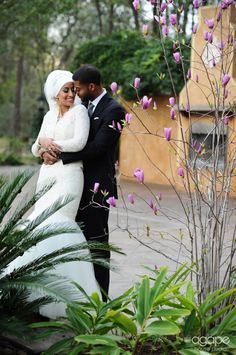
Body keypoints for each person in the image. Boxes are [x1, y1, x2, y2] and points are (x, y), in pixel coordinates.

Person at [11, 69, 101, 319]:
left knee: (60, 224)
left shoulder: (79, 112)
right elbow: (34, 146)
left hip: (70, 175)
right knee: (40, 223)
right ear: (55, 93)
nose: (71, 94)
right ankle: (33, 294)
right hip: (47, 175)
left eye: (73, 89)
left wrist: (51, 146)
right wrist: (41, 151)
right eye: (66, 90)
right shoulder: (50, 115)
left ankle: (69, 297)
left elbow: (80, 142)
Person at [42, 65, 126, 301]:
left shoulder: (114, 110)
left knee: (97, 246)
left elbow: (99, 148)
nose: (75, 93)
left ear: (91, 87)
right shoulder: (82, 108)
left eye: (78, 89)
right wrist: (43, 151)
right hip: (72, 184)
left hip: (97, 189)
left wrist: (60, 155)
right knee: (71, 242)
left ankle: (100, 300)